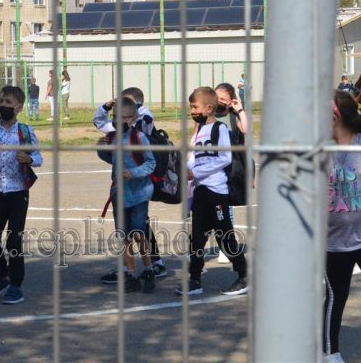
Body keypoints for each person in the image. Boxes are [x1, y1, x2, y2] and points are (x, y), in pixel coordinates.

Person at [176, 86, 248, 296]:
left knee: (224, 236)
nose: (192, 111)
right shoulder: (199, 130)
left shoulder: (220, 129)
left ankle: (243, 275)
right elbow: (194, 158)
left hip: (216, 192)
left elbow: (224, 158)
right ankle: (195, 279)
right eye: (191, 107)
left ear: (208, 108)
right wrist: (186, 168)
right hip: (200, 191)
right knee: (197, 238)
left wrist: (196, 172)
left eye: (195, 107)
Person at [324, 91, 361, 363]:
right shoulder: (317, 152)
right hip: (333, 244)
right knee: (335, 298)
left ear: (334, 117)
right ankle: (329, 353)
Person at [94, 87, 168, 281]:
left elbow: (148, 161)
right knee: (126, 233)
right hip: (121, 190)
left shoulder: (142, 125)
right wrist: (106, 107)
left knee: (139, 230)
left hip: (140, 186)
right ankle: (131, 270)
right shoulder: (117, 131)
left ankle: (150, 266)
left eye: (126, 105)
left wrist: (133, 172)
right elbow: (100, 123)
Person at [0, 85, 43, 304]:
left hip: (18, 192)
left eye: (8, 103)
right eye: (1, 102)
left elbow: (39, 158)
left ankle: (16, 284)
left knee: (14, 240)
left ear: (19, 107)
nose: (3, 106)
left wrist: (29, 159)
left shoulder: (25, 131)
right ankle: (3, 276)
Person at [214, 83, 249, 263]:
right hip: (210, 166)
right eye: (217, 97)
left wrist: (239, 109)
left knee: (225, 206)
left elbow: (246, 130)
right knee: (203, 207)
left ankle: (227, 247)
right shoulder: (208, 114)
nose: (219, 101)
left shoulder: (233, 115)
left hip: (229, 168)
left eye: (223, 99)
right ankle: (195, 248)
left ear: (230, 100)